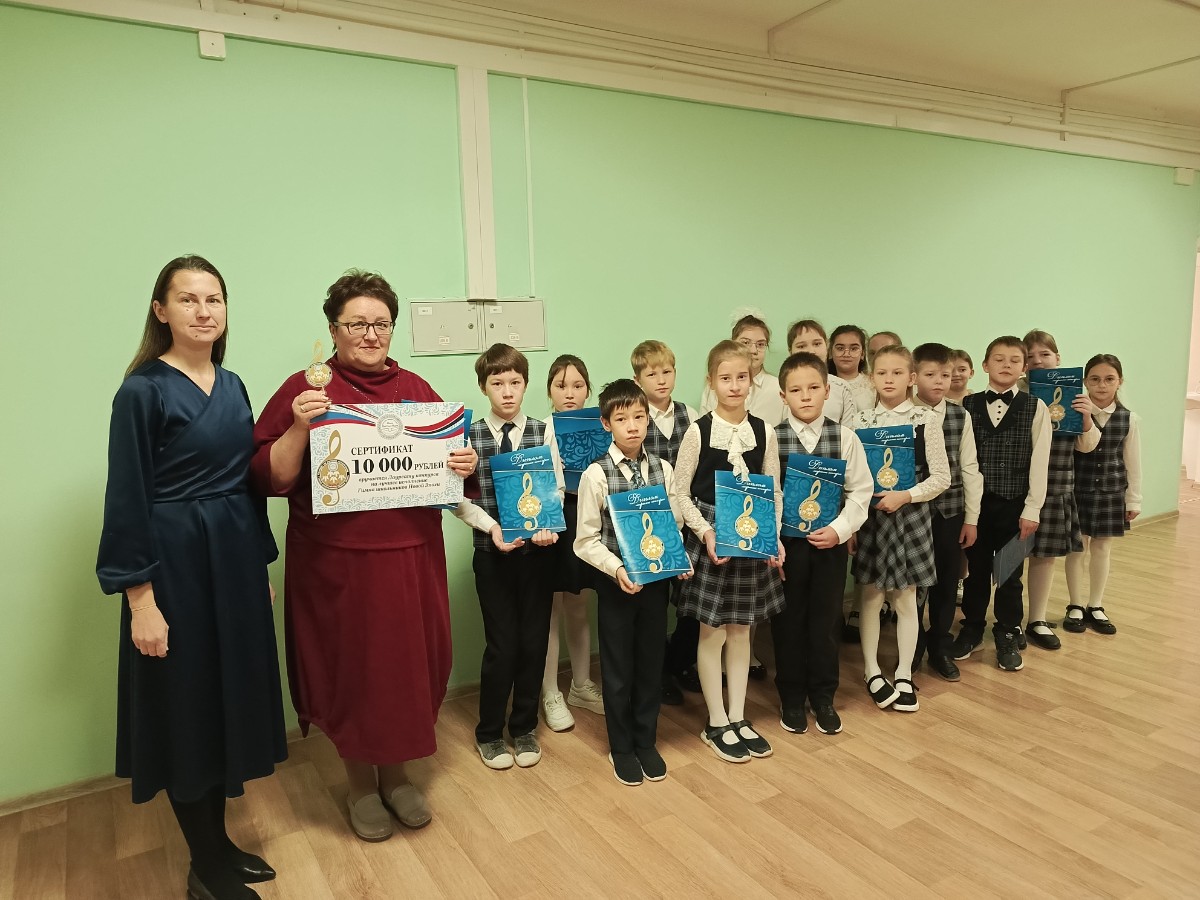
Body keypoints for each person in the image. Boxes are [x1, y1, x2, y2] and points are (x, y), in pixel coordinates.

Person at [251, 270, 477, 843]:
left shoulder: (417, 390)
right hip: (337, 565)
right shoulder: (306, 391)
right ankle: (359, 786)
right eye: (357, 324)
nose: (371, 334)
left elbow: (450, 476)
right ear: (333, 330)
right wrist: (299, 427)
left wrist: (463, 464)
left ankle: (397, 778)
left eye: (381, 323)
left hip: (409, 560)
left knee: (403, 670)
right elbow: (268, 477)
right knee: (353, 671)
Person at [98, 255, 286, 900]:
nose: (203, 311)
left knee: (222, 702)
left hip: (231, 562)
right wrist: (140, 600)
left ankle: (220, 845)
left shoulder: (233, 386)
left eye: (214, 299)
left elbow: (247, 484)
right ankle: (204, 865)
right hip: (173, 568)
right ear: (161, 311)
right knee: (186, 708)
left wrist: (257, 566)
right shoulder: (142, 391)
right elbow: (127, 498)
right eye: (188, 299)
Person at [671, 340, 785, 763]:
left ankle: (738, 716)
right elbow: (681, 492)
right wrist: (705, 532)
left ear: (751, 381)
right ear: (711, 382)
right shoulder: (698, 431)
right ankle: (715, 721)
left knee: (741, 630)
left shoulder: (764, 431)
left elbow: (773, 491)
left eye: (742, 377)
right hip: (713, 539)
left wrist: (773, 538)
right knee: (712, 632)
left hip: (751, 538)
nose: (734, 385)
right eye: (725, 378)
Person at [453, 343, 562, 771]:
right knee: (502, 646)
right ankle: (489, 733)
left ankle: (524, 727)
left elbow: (554, 488)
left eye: (515, 382)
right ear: (484, 387)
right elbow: (457, 500)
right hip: (491, 555)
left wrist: (548, 526)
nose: (508, 391)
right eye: (497, 383)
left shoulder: (543, 431)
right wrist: (492, 528)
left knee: (534, 642)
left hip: (537, 556)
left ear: (526, 384)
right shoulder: (469, 436)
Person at [574, 379, 689, 785]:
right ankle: (621, 747)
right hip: (617, 584)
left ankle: (646, 740)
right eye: (622, 419)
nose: (633, 426)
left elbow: (674, 524)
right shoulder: (596, 475)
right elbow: (585, 540)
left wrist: (678, 559)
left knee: (650, 663)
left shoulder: (663, 469)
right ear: (606, 423)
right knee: (619, 667)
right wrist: (617, 569)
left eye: (639, 417)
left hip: (656, 584)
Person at [772, 353, 872, 736]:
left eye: (814, 387)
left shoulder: (845, 438)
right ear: (783, 395)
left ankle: (823, 695)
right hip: (788, 548)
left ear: (827, 391)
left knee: (826, 621)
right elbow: (768, 493)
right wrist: (773, 543)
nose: (806, 396)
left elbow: (861, 491)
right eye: (796, 390)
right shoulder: (772, 439)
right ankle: (791, 696)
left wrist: (840, 530)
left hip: (830, 546)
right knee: (788, 621)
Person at [852, 345, 950, 713]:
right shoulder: (859, 422)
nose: (889, 379)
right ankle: (872, 670)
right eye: (881, 373)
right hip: (872, 517)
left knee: (907, 598)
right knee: (871, 596)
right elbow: (851, 478)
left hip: (910, 516)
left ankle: (905, 672)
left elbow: (941, 477)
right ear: (871, 378)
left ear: (911, 378)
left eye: (897, 373)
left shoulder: (926, 420)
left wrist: (905, 496)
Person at [951, 336, 1052, 673]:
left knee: (1009, 574)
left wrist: (1032, 509)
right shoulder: (967, 405)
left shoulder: (1036, 407)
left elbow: (1040, 461)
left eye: (1014, 360)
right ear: (984, 365)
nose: (1006, 365)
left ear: (1023, 367)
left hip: (1015, 506)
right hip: (976, 507)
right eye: (998, 359)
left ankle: (1007, 631)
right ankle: (972, 627)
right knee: (977, 572)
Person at [630, 340, 699, 706]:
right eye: (651, 373)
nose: (661, 379)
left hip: (688, 519)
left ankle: (681, 661)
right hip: (650, 524)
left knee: (691, 601)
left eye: (667, 371)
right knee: (654, 604)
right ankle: (657, 674)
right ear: (637, 380)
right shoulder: (634, 419)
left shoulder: (691, 415)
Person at [1021, 330, 1099, 651]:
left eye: (1045, 354)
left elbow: (1087, 446)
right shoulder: (1016, 393)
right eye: (1030, 357)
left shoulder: (1075, 395)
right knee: (1011, 558)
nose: (1038, 361)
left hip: (1056, 486)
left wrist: (1087, 417)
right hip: (1017, 487)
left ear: (1058, 358)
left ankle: (1036, 619)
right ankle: (1008, 619)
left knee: (1045, 556)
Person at [541, 354, 604, 732]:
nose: (570, 393)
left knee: (579, 603)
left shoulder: (601, 425)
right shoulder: (542, 428)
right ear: (549, 391)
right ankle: (550, 691)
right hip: (554, 519)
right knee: (550, 607)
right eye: (561, 386)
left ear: (587, 390)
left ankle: (581, 684)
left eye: (578, 386)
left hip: (587, 517)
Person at [911, 343, 982, 682]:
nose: (939, 381)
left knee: (946, 579)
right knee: (914, 583)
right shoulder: (902, 413)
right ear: (914, 376)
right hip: (912, 513)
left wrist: (971, 518)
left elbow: (970, 468)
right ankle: (912, 645)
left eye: (945, 374)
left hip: (950, 512)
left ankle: (940, 644)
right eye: (930, 374)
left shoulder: (959, 415)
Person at [1064, 354, 1141, 635]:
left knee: (1102, 549)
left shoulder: (1129, 419)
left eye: (1109, 379)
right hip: (1078, 489)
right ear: (1085, 382)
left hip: (1111, 492)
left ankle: (1095, 604)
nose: (1102, 385)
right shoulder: (1073, 413)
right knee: (1077, 548)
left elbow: (1133, 461)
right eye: (1095, 379)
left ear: (1120, 381)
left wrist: (1134, 499)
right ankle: (1075, 604)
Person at [700, 314, 785, 426]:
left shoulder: (778, 387)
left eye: (760, 344)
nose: (753, 350)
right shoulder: (714, 387)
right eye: (745, 343)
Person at [786, 319, 859, 427]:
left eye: (817, 344)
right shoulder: (781, 387)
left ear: (827, 347)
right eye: (801, 346)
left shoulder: (842, 388)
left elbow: (849, 432)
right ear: (790, 351)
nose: (811, 351)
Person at [829, 323, 875, 414]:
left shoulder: (873, 386)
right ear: (830, 352)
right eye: (840, 348)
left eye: (853, 349)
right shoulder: (824, 385)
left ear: (862, 354)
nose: (846, 354)